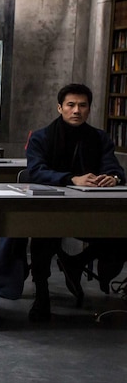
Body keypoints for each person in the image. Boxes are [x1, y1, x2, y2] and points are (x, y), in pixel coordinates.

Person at [25, 83, 127, 321]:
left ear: (89, 109)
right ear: (60, 107)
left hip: (91, 211)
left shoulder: (99, 138)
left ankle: (76, 262)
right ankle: (41, 295)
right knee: (42, 235)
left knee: (121, 231)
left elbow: (114, 167)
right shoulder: (41, 137)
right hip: (50, 210)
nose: (76, 110)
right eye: (70, 105)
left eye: (82, 105)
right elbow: (36, 171)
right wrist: (71, 179)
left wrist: (112, 178)